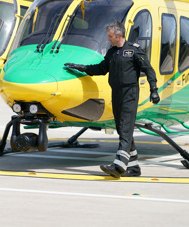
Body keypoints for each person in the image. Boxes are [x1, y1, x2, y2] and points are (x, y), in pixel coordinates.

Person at [64, 21, 160, 178]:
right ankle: (134, 167)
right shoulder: (112, 52)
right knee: (122, 128)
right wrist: (80, 67)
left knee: (125, 126)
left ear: (119, 35)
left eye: (110, 36)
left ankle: (119, 165)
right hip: (116, 93)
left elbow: (148, 70)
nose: (108, 39)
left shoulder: (133, 50)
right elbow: (101, 69)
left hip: (130, 93)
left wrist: (154, 90)